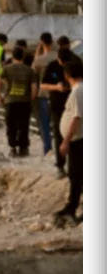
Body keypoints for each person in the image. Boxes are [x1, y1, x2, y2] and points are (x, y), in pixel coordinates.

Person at [42, 43, 80, 178]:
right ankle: (60, 166)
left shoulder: (77, 65)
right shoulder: (52, 66)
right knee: (59, 136)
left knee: (76, 136)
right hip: (57, 106)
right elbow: (43, 85)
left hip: (74, 105)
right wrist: (56, 87)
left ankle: (75, 169)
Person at [54, 60, 82, 223]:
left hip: (77, 139)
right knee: (76, 174)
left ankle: (71, 208)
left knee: (75, 174)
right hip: (77, 138)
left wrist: (65, 141)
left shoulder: (78, 91)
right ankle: (72, 206)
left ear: (67, 75)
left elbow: (77, 117)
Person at [0, 46, 38, 157]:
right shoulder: (29, 70)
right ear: (23, 57)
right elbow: (34, 86)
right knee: (24, 125)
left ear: (12, 56)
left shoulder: (6, 69)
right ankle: (23, 149)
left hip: (10, 101)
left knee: (11, 126)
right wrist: (32, 96)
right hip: (24, 102)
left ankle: (12, 148)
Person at [32, 33, 57, 158]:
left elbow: (33, 73)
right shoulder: (58, 57)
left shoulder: (40, 60)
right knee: (58, 122)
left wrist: (38, 52)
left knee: (45, 123)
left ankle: (48, 149)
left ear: (42, 43)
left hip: (43, 94)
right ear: (52, 42)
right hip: (58, 94)